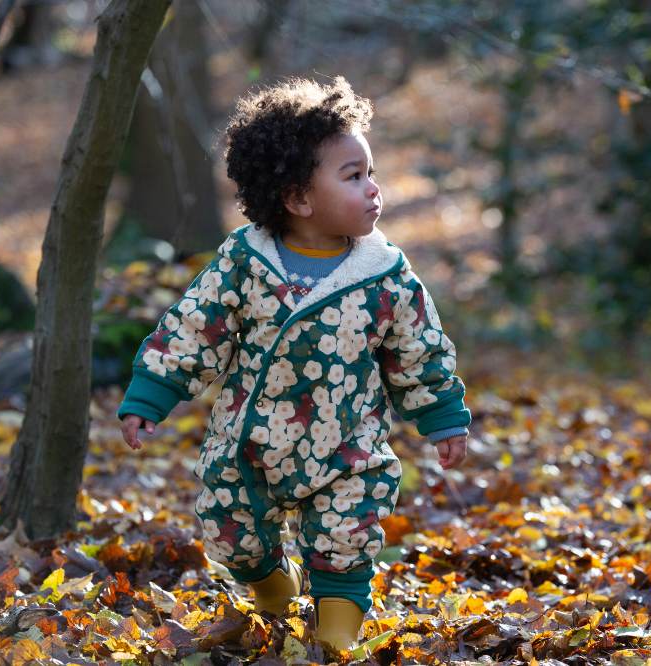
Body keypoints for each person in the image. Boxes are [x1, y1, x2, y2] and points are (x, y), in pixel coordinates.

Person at [117, 76, 471, 652]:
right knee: (235, 538)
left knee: (345, 540)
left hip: (346, 449)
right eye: (353, 177)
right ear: (299, 200)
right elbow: (195, 327)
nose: (373, 189)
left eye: (370, 173)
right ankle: (274, 595)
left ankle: (334, 643)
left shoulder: (385, 275)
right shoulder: (245, 261)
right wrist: (150, 395)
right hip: (247, 444)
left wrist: (444, 418)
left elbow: (420, 350)